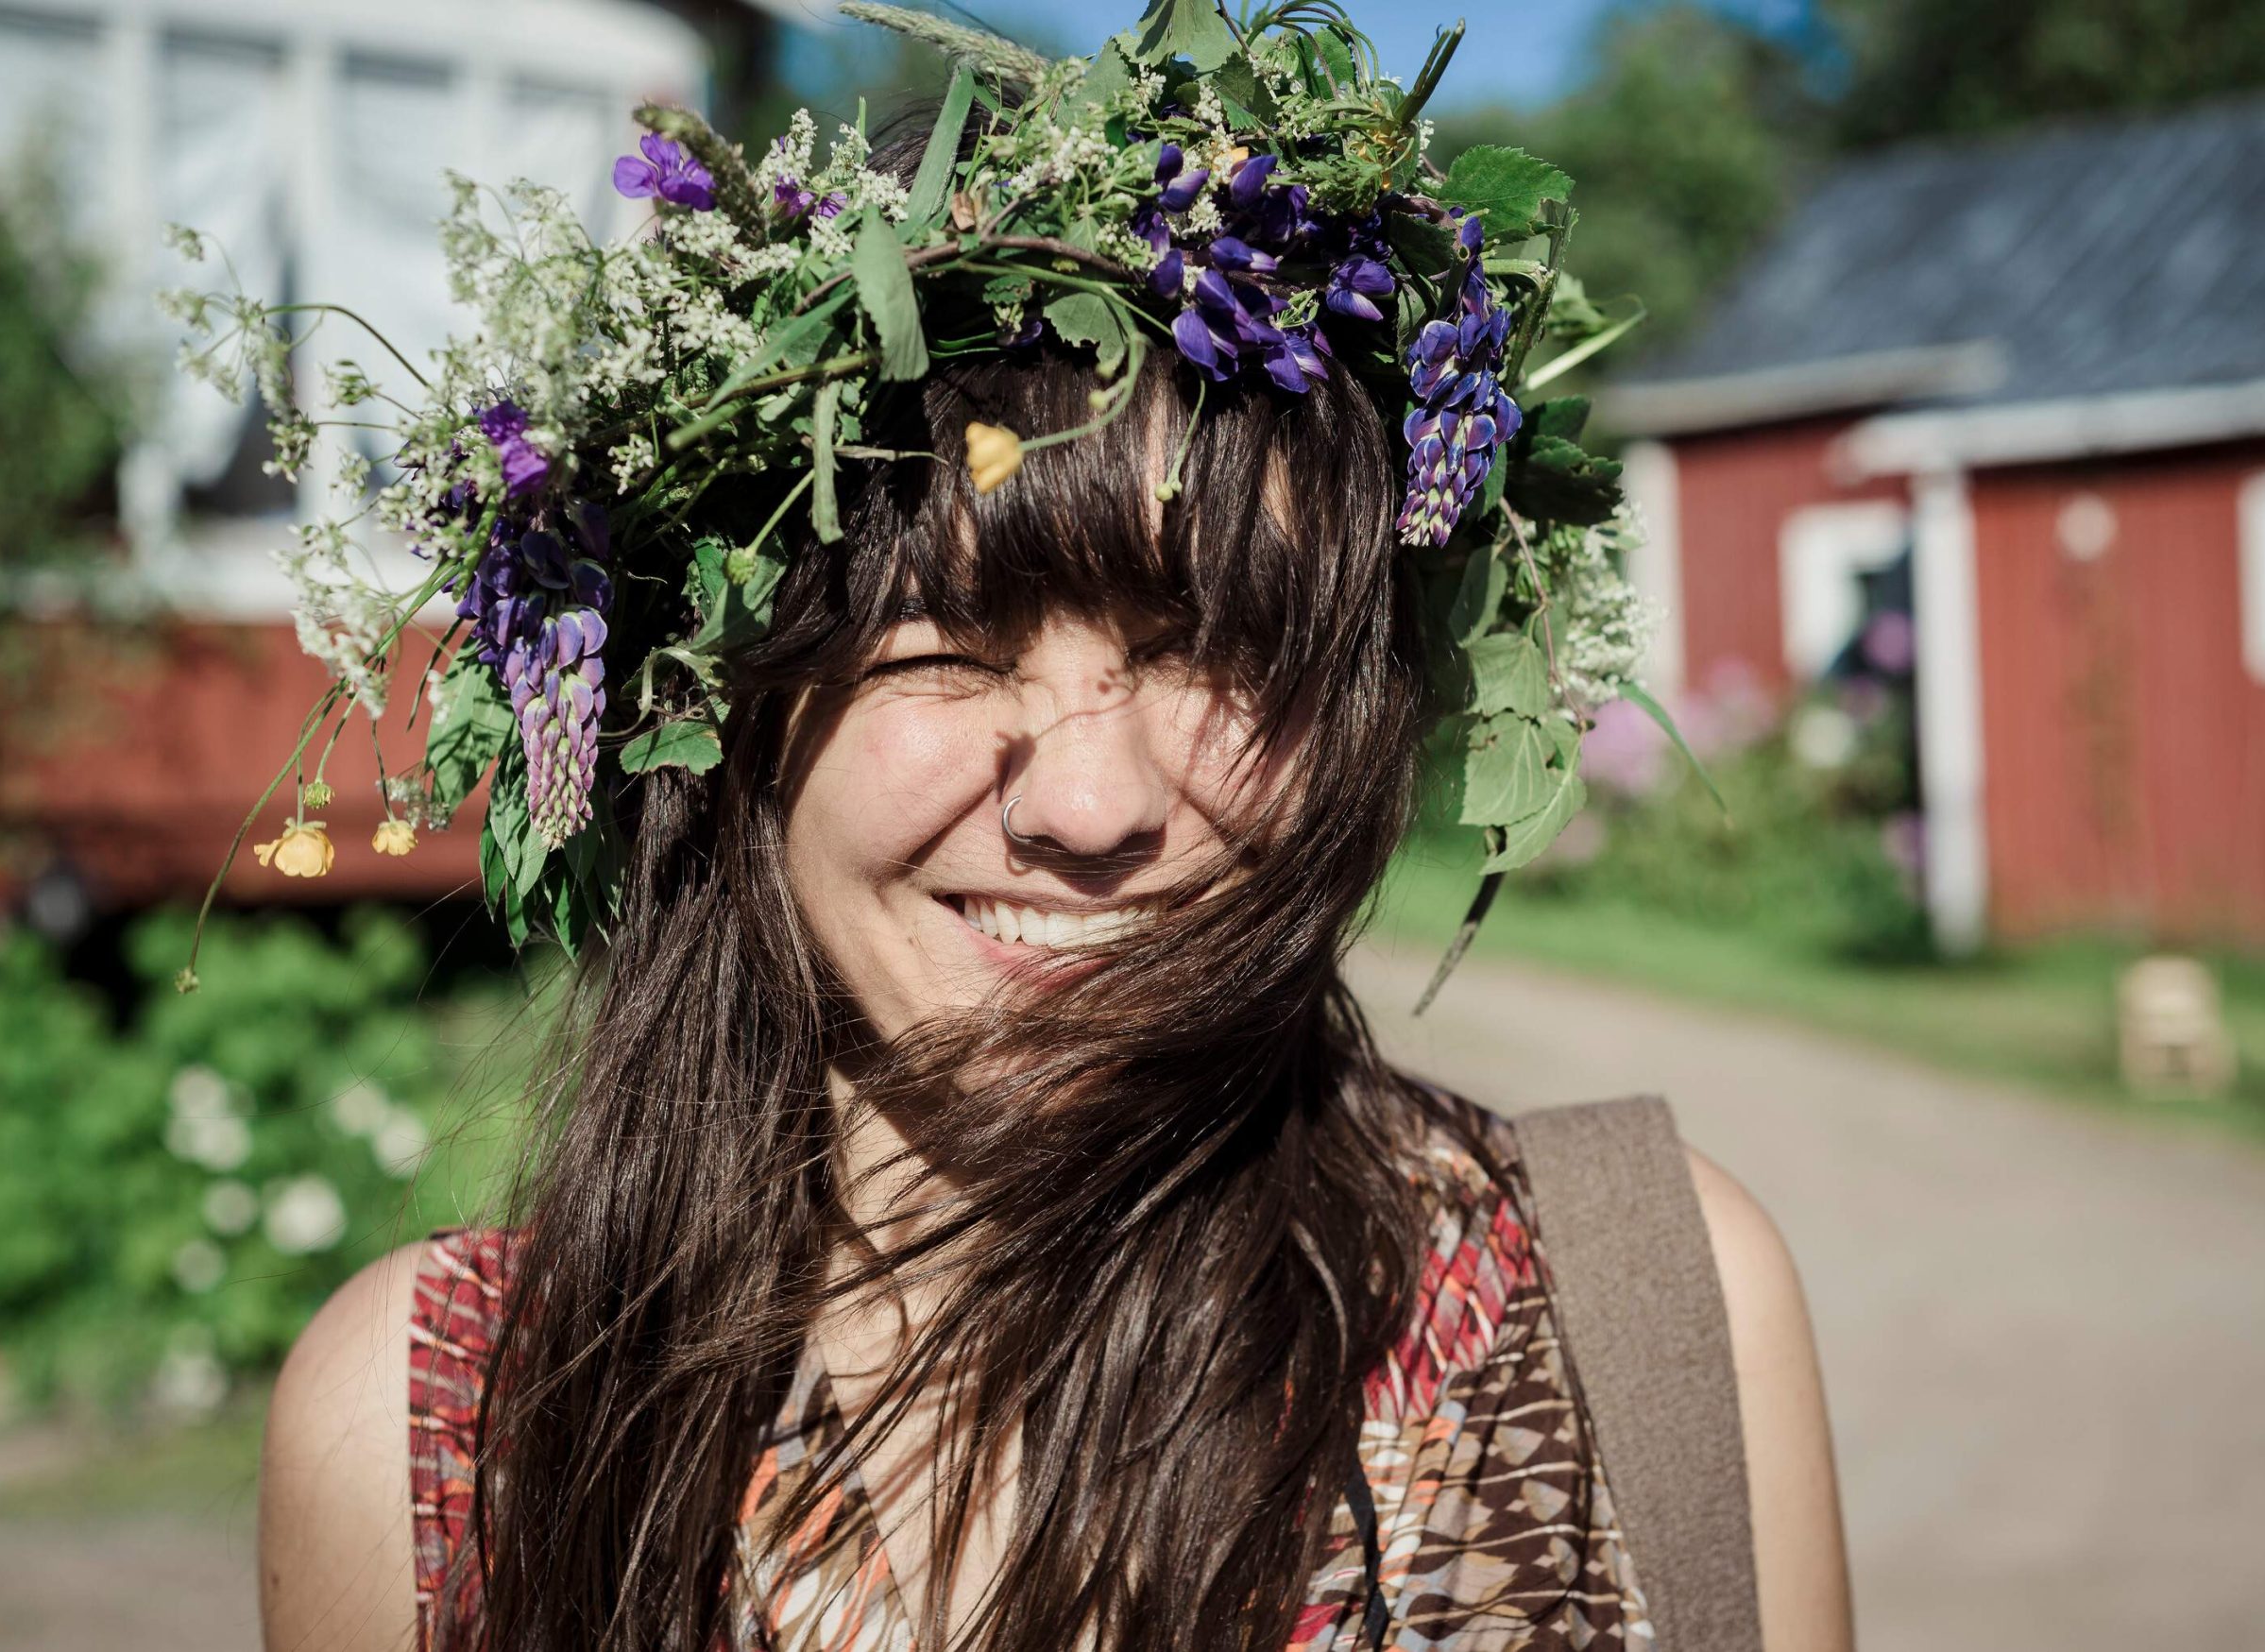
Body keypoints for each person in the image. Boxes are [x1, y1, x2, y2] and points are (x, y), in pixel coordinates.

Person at [204, 11, 1850, 1651]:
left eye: (1208, 645)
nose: (1091, 805)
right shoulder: (439, 1440)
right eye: (943, 647)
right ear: (720, 714)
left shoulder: (1638, 1322)